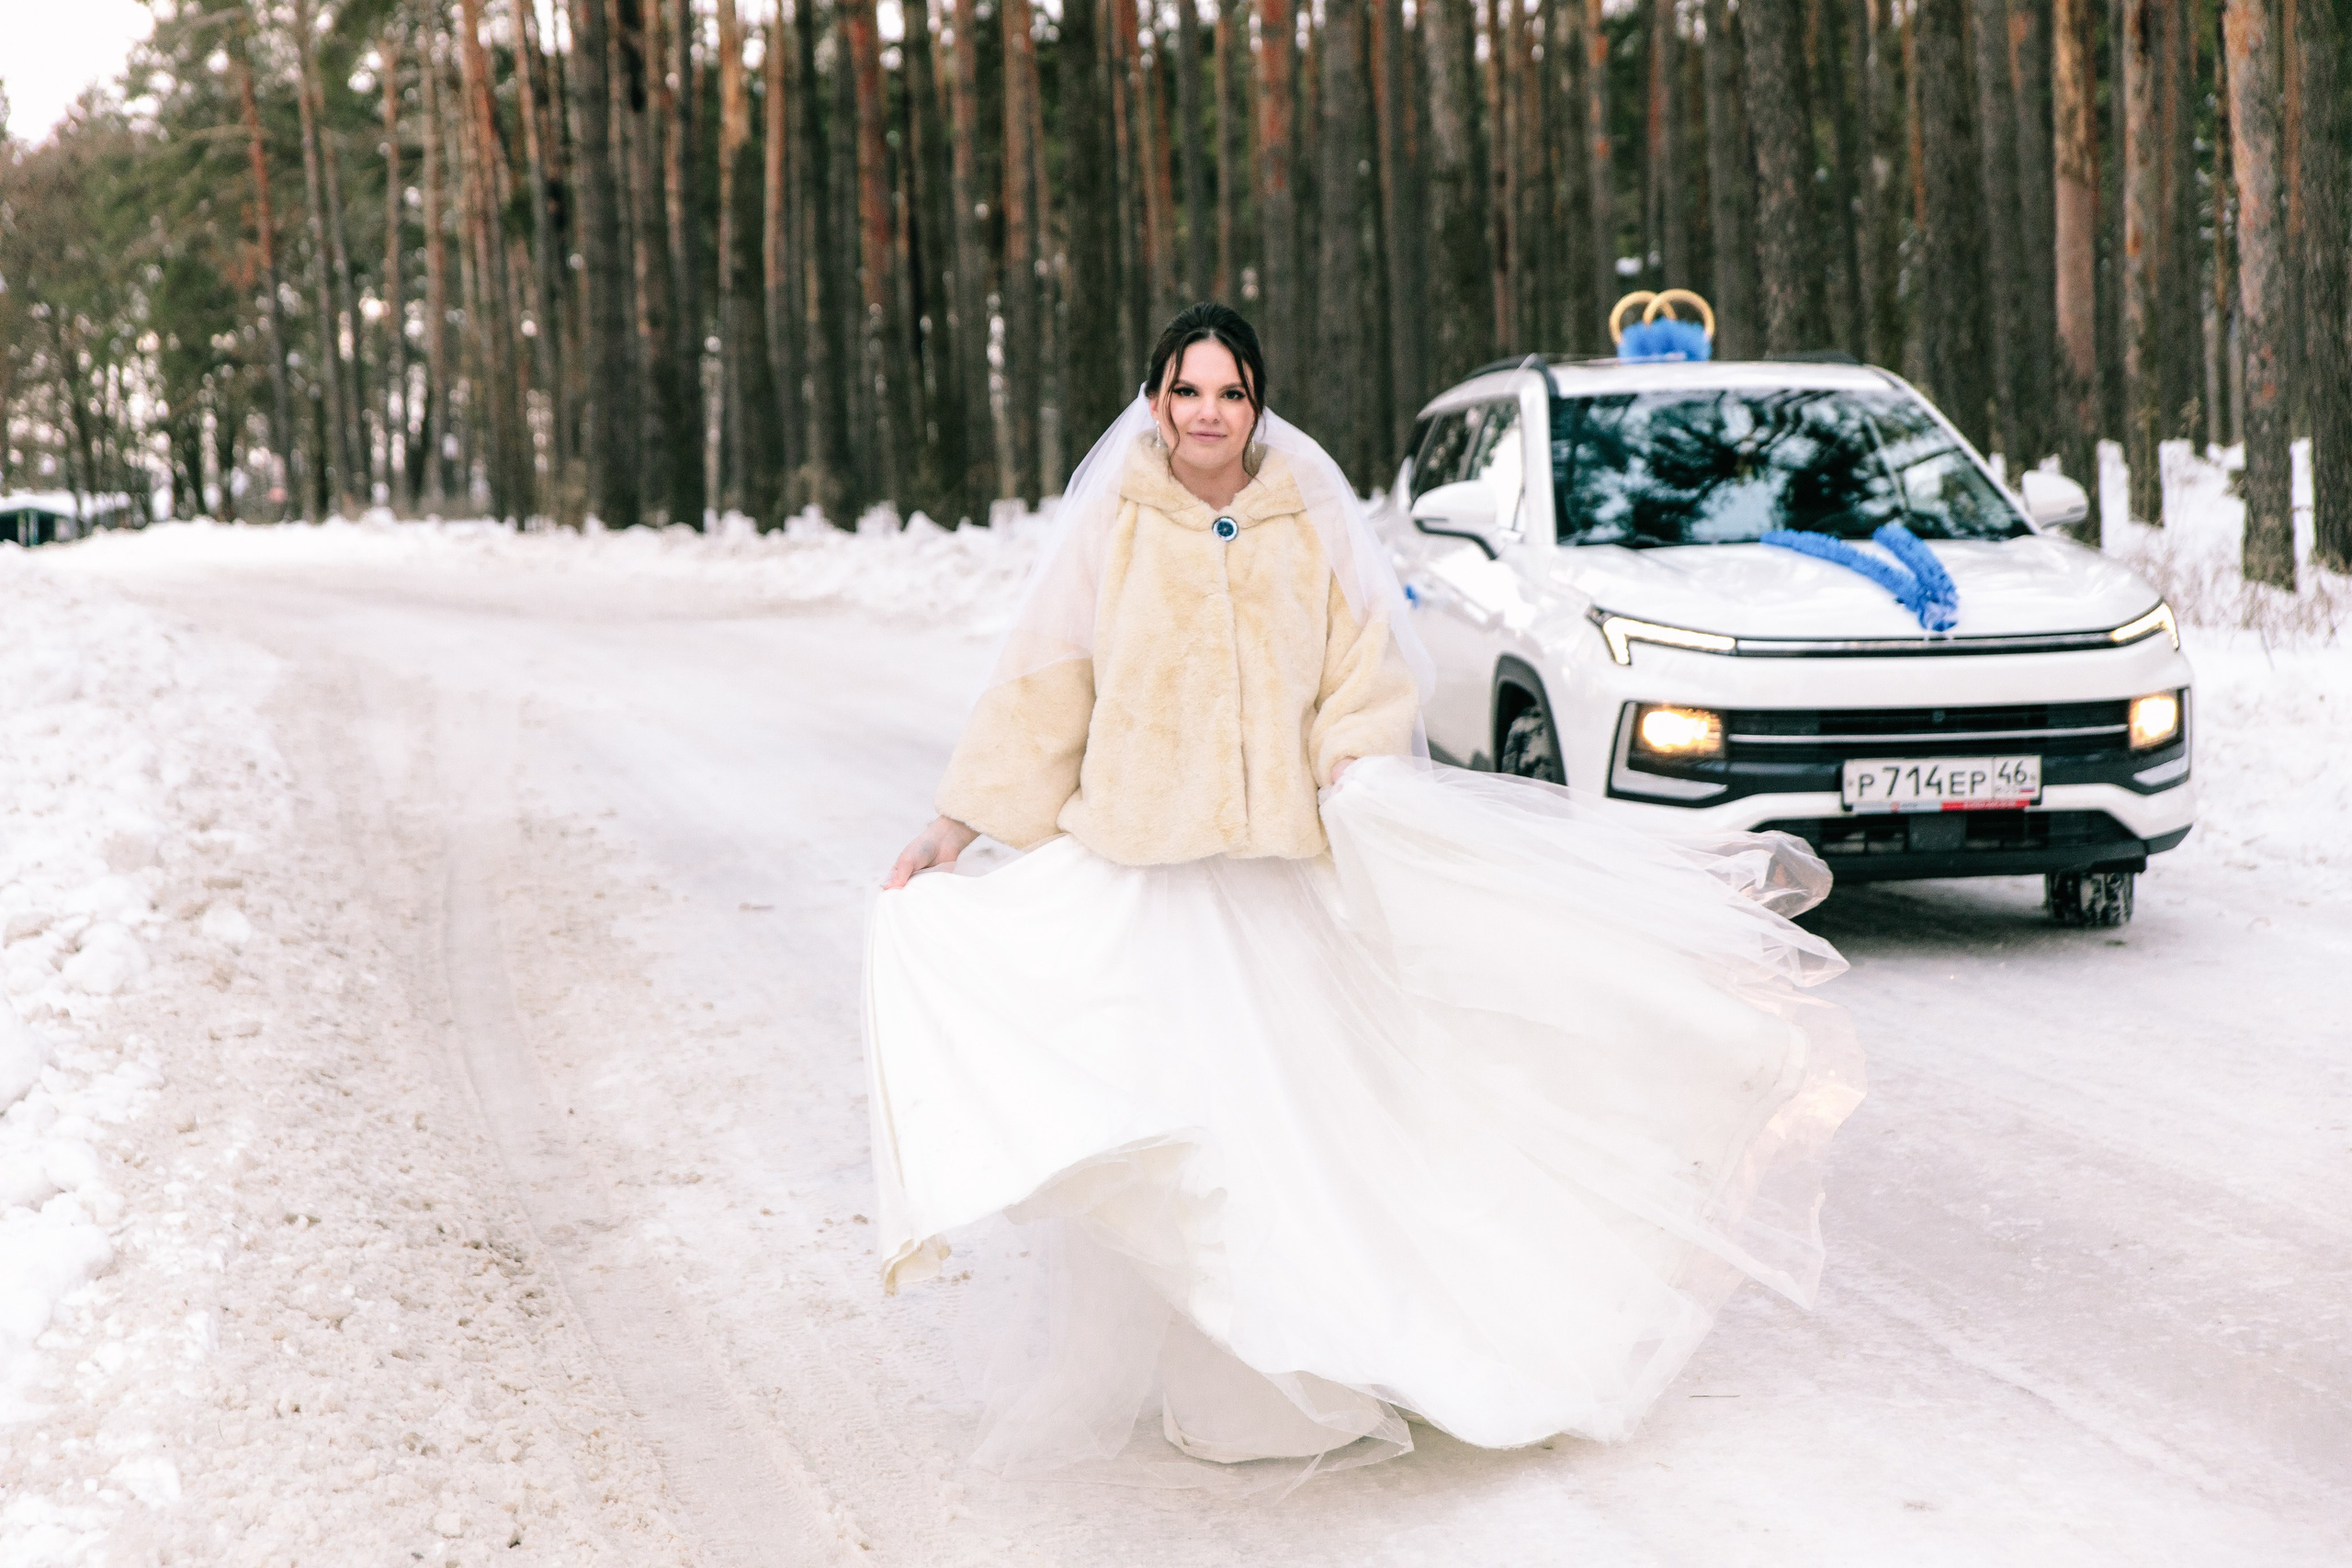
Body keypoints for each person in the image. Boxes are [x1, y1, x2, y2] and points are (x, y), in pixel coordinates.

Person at [865, 303, 1864, 1479]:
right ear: (1155, 401)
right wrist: (955, 823)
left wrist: (1352, 759)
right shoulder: (1115, 522)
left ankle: (1296, 1378)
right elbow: (1044, 686)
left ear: (1256, 405)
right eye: (1187, 391)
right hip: (1148, 875)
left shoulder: (1307, 512)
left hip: (1279, 878)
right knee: (1181, 1132)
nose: (1207, 414)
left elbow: (1365, 666)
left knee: (1282, 1139)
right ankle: (1223, 1380)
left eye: (1230, 393)